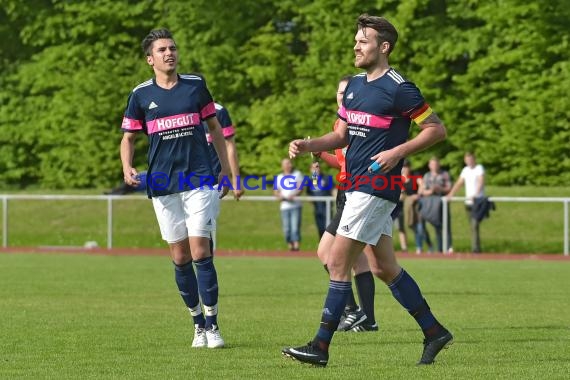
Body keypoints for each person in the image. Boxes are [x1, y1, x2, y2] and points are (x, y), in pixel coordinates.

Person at [282, 14, 453, 367]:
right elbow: (342, 136)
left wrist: (398, 151)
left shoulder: (399, 87)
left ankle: (320, 347)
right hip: (357, 186)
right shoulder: (357, 85)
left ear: (384, 46)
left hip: (376, 187)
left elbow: (436, 130)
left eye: (364, 41)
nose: (356, 46)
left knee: (337, 260)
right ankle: (434, 332)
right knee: (384, 267)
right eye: (356, 40)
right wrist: (310, 143)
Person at [120, 29, 229, 349]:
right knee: (180, 257)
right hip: (163, 184)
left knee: (200, 251)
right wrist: (127, 166)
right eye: (162, 49)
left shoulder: (195, 85)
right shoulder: (140, 95)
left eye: (173, 48)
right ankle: (197, 324)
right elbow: (128, 138)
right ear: (149, 59)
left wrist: (223, 169)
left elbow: (215, 128)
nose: (170, 53)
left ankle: (213, 325)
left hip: (199, 179)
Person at [313, 75, 378, 333]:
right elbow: (343, 165)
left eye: (346, 92)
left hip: (358, 193)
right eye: (339, 92)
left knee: (327, 254)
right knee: (361, 261)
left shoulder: (359, 123)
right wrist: (320, 154)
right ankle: (367, 318)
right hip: (346, 192)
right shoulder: (339, 124)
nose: (342, 96)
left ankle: (353, 312)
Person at [202, 102, 244, 249]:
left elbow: (230, 146)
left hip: (212, 181)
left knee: (204, 230)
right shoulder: (178, 110)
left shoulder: (218, 112)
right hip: (183, 181)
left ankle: (206, 270)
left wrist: (236, 180)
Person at [446, 152, 485, 253]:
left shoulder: (479, 168)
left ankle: (476, 249)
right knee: (472, 225)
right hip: (468, 202)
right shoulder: (465, 170)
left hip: (478, 201)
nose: (469, 161)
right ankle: (475, 247)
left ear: (474, 159)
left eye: (471, 159)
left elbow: (481, 181)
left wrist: (476, 194)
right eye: (467, 160)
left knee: (474, 224)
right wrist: (451, 194)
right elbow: (459, 183)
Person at [419, 157, 453, 254]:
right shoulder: (427, 176)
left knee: (444, 225)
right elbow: (422, 191)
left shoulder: (444, 174)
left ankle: (444, 247)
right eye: (432, 164)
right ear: (429, 166)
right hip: (428, 204)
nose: (434, 166)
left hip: (441, 203)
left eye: (436, 164)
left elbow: (449, 188)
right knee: (422, 225)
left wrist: (440, 189)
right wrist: (430, 191)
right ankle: (430, 245)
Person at [400, 161, 433, 254]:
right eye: (403, 167)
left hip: (417, 205)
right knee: (413, 227)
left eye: (407, 167)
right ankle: (419, 246)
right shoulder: (399, 179)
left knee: (420, 227)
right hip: (406, 207)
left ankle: (426, 246)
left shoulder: (415, 176)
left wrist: (418, 194)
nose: (405, 169)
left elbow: (422, 185)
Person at [273, 158, 303, 251]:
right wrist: (279, 196)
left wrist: (294, 195)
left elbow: (300, 187)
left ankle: (296, 246)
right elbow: (275, 191)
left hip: (295, 205)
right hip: (284, 206)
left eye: (289, 163)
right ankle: (290, 246)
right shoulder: (279, 177)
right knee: (286, 229)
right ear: (282, 166)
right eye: (286, 164)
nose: (288, 165)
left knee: (295, 227)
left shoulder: (297, 174)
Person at [306, 161, 332, 238]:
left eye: (317, 167)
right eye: (313, 168)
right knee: (320, 228)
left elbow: (333, 190)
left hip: (326, 208)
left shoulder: (326, 178)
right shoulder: (310, 181)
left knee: (328, 228)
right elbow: (308, 194)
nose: (315, 170)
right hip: (317, 209)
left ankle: (330, 247)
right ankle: (322, 247)